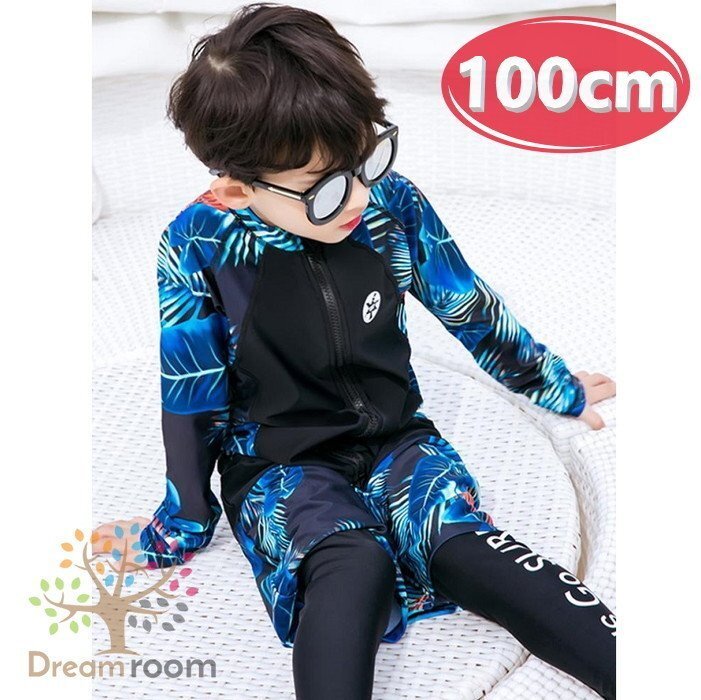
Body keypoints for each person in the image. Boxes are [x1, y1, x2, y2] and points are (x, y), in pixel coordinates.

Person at [95, 3, 616, 699]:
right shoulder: (199, 244)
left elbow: (466, 303)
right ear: (235, 188)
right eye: (323, 188)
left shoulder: (390, 204)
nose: (356, 198)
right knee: (350, 566)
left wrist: (551, 383)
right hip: (278, 465)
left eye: (364, 158)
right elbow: (192, 395)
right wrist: (180, 525)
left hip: (401, 442)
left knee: (470, 550)